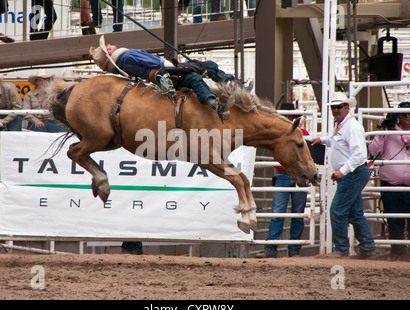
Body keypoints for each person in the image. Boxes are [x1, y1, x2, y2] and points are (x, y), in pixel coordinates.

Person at [89, 36, 233, 119]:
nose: (109, 44)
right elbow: (153, 61)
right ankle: (218, 101)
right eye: (106, 47)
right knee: (196, 76)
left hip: (158, 76)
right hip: (165, 72)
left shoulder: (120, 64)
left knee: (205, 67)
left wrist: (97, 57)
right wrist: (176, 68)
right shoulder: (127, 55)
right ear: (109, 52)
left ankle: (229, 85)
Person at [311, 92, 376, 258]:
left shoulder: (352, 127)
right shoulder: (344, 125)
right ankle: (367, 248)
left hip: (352, 173)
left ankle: (341, 248)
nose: (335, 110)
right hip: (353, 173)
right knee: (355, 213)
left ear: (347, 107)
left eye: (339, 107)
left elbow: (359, 155)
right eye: (333, 107)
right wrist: (323, 140)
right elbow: (336, 141)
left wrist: (342, 171)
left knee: (337, 210)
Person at [256, 103, 309, 258]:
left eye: (290, 116)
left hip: (294, 174)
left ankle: (287, 248)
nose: (289, 118)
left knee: (295, 213)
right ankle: (280, 248)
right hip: (285, 174)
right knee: (280, 212)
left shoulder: (300, 133)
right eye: (287, 116)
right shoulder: (294, 133)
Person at [368, 101, 410, 260]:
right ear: (397, 115)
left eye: (409, 113)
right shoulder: (388, 132)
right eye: (403, 113)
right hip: (391, 184)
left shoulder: (396, 130)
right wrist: (381, 131)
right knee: (393, 219)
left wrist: (396, 129)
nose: (407, 116)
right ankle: (398, 253)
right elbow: (373, 151)